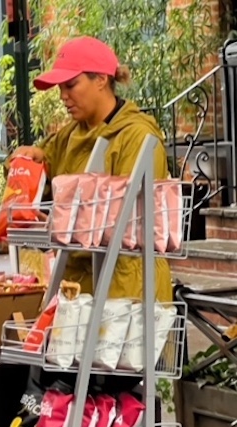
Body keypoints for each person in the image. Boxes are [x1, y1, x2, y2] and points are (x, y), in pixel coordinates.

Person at [15, 36, 172, 302]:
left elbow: (124, 221)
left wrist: (56, 225)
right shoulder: (68, 135)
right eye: (60, 88)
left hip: (127, 286)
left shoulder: (139, 137)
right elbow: (48, 158)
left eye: (71, 85)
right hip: (76, 286)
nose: (63, 96)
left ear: (100, 79)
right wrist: (32, 158)